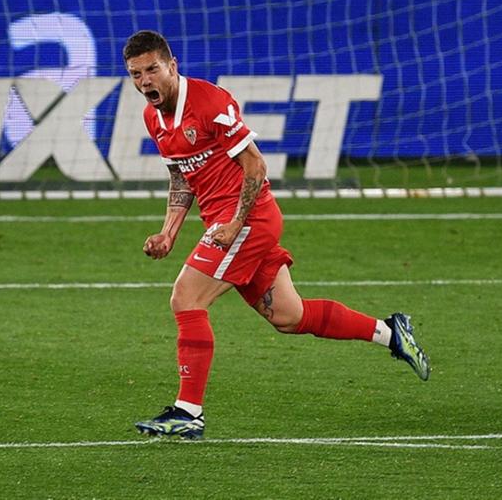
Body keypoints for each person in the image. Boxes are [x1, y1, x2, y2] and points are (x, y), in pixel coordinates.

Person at [123, 30, 430, 440]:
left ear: (172, 66)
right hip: (227, 224)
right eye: (136, 74)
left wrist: (235, 223)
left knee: (186, 297)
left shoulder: (210, 102)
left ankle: (188, 412)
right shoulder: (153, 118)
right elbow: (181, 175)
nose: (145, 81)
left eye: (152, 70)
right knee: (289, 316)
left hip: (249, 220)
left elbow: (256, 166)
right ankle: (391, 333)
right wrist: (168, 232)